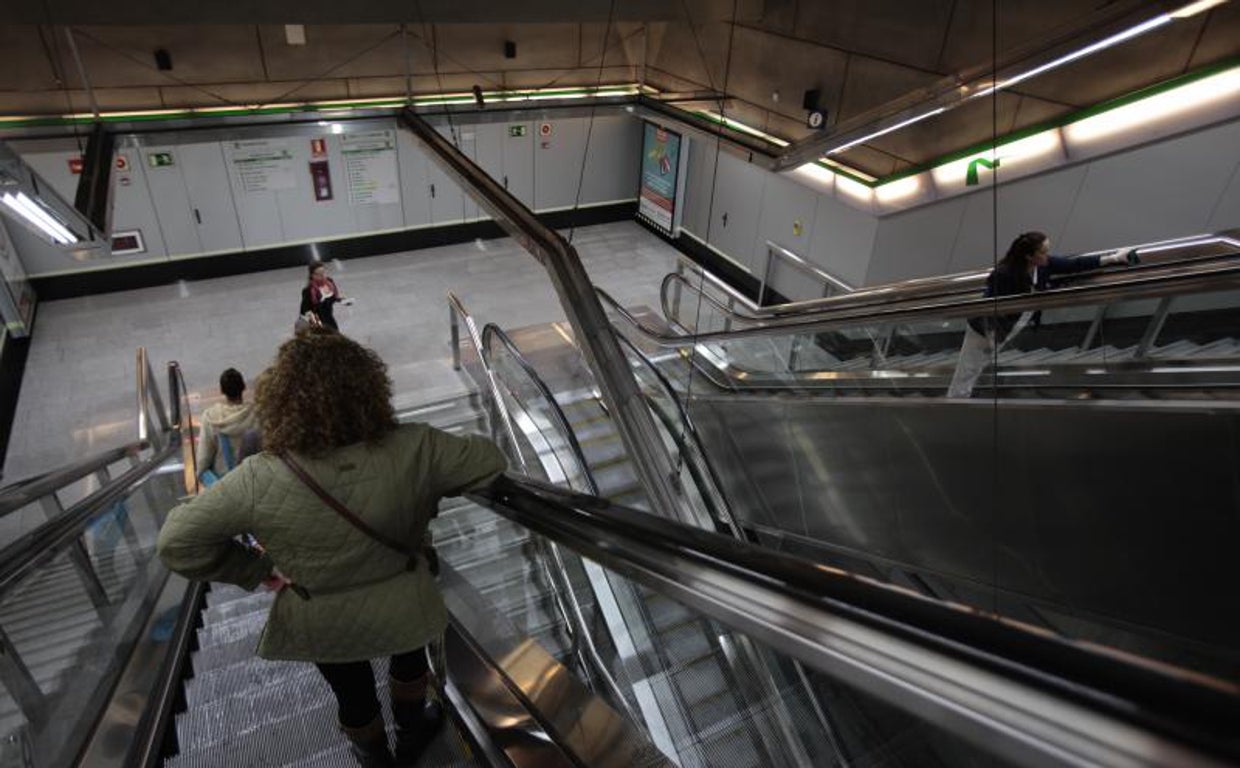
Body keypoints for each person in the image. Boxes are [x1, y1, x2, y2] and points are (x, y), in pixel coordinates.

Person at [157, 328, 506, 766]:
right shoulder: (416, 446)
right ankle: (412, 729)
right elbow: (489, 459)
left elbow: (176, 542)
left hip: (319, 612)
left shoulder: (258, 476)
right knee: (410, 661)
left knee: (352, 693)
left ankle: (374, 756)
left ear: (280, 400)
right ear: (370, 388)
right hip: (403, 592)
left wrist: (257, 570)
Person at [946, 232, 1138, 398]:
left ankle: (967, 393)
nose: (1048, 255)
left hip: (1014, 323)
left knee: (981, 363)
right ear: (1029, 256)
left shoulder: (1043, 265)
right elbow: (989, 306)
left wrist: (1112, 258)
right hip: (987, 328)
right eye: (1043, 251)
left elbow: (1075, 264)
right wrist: (991, 336)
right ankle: (956, 402)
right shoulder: (1004, 274)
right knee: (969, 367)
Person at [195, 368, 258, 483]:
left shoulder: (211, 418)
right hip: (256, 484)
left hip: (225, 487)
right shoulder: (257, 414)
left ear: (222, 391)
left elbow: (203, 462)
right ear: (243, 387)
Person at [300, 260, 353, 331]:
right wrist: (316, 322)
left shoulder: (329, 283)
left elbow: (333, 297)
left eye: (323, 272)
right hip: (316, 320)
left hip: (329, 318)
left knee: (335, 336)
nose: (322, 276)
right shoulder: (308, 290)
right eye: (318, 274)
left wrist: (341, 300)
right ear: (312, 275)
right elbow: (304, 310)